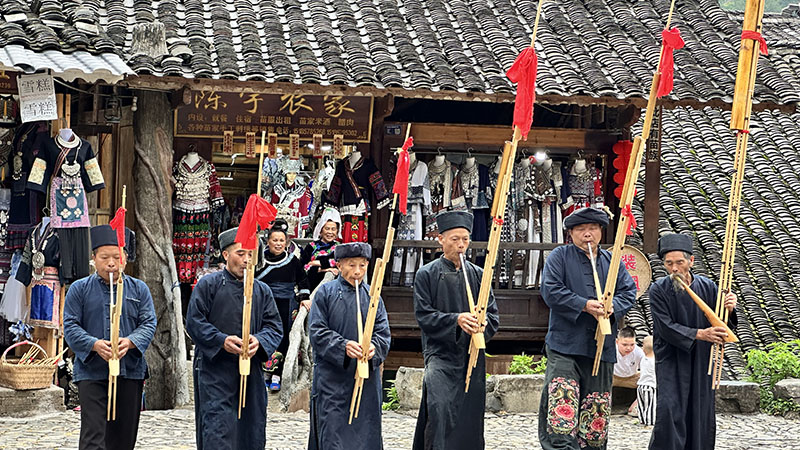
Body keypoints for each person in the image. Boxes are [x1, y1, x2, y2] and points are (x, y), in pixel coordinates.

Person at [538, 207, 637, 450]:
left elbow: (628, 292)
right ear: (571, 233)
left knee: (596, 414)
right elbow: (550, 290)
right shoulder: (559, 257)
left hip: (601, 347)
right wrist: (583, 304)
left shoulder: (612, 263)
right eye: (581, 230)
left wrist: (613, 306)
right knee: (562, 407)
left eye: (592, 229)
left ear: (600, 232)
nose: (587, 235)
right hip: (565, 345)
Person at [186, 227, 283, 450]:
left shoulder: (262, 290)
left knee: (252, 430)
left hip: (251, 371)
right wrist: (221, 340)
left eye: (251, 254)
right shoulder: (208, 285)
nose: (247, 260)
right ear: (225, 255)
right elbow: (195, 322)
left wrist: (259, 341)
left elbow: (274, 326)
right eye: (240, 254)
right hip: (215, 371)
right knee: (217, 430)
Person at [412, 210, 500, 450]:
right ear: (440, 239)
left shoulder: (479, 275)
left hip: (470, 355)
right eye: (454, 239)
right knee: (438, 408)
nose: (461, 245)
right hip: (439, 354)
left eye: (465, 239)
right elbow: (424, 316)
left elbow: (493, 316)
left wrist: (483, 325)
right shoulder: (426, 274)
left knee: (469, 416)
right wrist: (456, 320)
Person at [63, 225, 156, 450]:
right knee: (93, 435)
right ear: (94, 258)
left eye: (117, 257)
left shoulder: (139, 289)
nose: (111, 263)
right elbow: (70, 325)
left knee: (124, 436)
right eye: (104, 257)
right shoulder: (79, 289)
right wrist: (93, 344)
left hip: (129, 370)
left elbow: (149, 322)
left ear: (125, 258)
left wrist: (131, 341)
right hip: (92, 371)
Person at [648, 233, 737, 450]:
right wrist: (700, 334)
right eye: (669, 263)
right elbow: (665, 327)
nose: (675, 268)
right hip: (671, 359)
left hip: (702, 359)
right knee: (670, 410)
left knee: (700, 411)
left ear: (691, 261)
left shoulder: (708, 287)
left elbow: (723, 325)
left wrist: (730, 309)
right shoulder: (658, 289)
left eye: (680, 262)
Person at [307, 242, 391, 450]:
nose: (357, 271)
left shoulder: (373, 296)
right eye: (351, 265)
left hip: (365, 379)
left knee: (366, 436)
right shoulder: (325, 293)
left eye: (362, 265)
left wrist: (374, 347)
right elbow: (317, 331)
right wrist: (342, 346)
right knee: (333, 435)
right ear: (340, 265)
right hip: (332, 380)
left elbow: (383, 333)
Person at [256, 219, 311, 391]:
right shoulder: (259, 259)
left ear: (286, 242)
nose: (278, 244)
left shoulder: (292, 261)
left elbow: (302, 279)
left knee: (283, 338)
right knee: (263, 335)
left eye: (281, 240)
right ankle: (263, 373)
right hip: (264, 303)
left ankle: (277, 375)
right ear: (268, 241)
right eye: (275, 240)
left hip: (286, 304)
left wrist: (304, 297)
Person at [301, 207, 341, 292]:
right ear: (321, 230)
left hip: (333, 290)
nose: (330, 232)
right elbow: (304, 267)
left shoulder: (339, 248)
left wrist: (318, 263)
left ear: (337, 232)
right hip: (311, 287)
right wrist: (326, 268)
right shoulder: (311, 247)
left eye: (333, 229)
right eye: (327, 229)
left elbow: (339, 265)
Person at [612, 326, 645, 415]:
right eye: (625, 345)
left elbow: (647, 374)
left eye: (632, 345)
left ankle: (639, 405)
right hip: (612, 377)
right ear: (617, 342)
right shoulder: (611, 349)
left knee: (651, 380)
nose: (628, 348)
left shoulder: (639, 352)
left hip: (632, 377)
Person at [637, 336, 656, 426]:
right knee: (650, 405)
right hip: (651, 386)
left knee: (642, 404)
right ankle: (650, 420)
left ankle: (641, 419)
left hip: (640, 385)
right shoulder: (654, 361)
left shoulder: (643, 359)